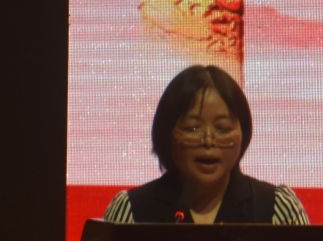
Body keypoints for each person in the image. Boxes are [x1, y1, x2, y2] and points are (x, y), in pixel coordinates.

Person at [102, 64, 309, 224]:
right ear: (167, 133)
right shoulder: (131, 211)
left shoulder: (277, 209)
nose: (208, 140)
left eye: (223, 128)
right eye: (193, 128)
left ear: (243, 133)